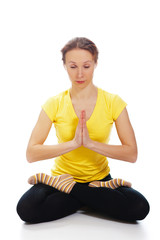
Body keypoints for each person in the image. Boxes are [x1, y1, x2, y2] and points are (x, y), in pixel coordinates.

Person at [16, 37, 150, 224]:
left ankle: (77, 192)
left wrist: (90, 144)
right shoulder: (54, 103)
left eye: (86, 66)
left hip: (100, 180)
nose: (80, 73)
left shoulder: (113, 102)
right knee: (27, 209)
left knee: (140, 207)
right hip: (61, 178)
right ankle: (93, 199)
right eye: (73, 66)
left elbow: (131, 154)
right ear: (64, 66)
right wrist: (72, 144)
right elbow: (31, 154)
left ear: (95, 64)